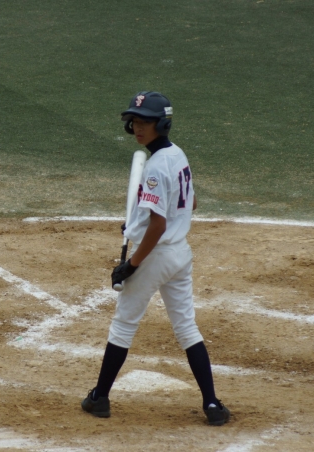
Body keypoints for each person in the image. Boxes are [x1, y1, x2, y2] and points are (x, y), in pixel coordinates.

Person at [80, 91, 231, 426]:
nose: (138, 127)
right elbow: (190, 203)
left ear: (161, 123)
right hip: (180, 255)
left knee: (123, 326)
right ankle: (212, 405)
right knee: (186, 327)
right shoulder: (177, 155)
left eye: (145, 121)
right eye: (135, 120)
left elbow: (159, 225)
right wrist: (137, 222)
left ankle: (100, 397)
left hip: (155, 256)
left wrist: (131, 265)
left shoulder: (154, 167)